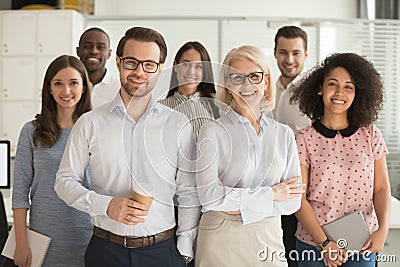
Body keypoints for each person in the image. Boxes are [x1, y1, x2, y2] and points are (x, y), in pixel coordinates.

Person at [55, 27, 200, 267]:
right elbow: (64, 181)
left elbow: (188, 192)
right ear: (118, 62)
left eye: (149, 65)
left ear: (160, 68)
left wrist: (184, 249)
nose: (139, 72)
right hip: (105, 251)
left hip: (163, 253)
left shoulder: (178, 125)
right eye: (131, 62)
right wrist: (106, 205)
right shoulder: (90, 123)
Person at [195, 45, 304, 267]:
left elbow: (292, 201)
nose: (247, 84)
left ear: (265, 81)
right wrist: (272, 194)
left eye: (255, 76)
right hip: (220, 237)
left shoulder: (283, 134)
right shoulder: (212, 131)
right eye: (237, 77)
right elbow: (209, 196)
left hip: (269, 238)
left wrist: (235, 200)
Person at [291, 53, 391, 267]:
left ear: (357, 94)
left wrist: (383, 228)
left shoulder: (370, 135)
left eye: (349, 87)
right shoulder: (303, 139)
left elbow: (381, 189)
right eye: (333, 84)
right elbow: (298, 198)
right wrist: (325, 244)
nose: (339, 93)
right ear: (320, 88)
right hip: (313, 244)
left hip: (362, 242)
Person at [12, 55, 92, 267]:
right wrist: (21, 243)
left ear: (84, 87)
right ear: (49, 88)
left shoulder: (96, 130)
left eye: (73, 83)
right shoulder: (31, 131)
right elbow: (20, 193)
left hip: (88, 235)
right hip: (43, 237)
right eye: (58, 83)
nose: (66, 91)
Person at [273, 25, 311, 267]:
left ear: (306, 54)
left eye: (296, 53)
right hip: (270, 190)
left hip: (305, 191)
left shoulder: (315, 94)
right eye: (283, 52)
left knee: (299, 255)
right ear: (275, 53)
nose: (289, 59)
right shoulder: (265, 89)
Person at [159, 41, 219, 140]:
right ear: (175, 66)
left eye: (198, 66)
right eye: (185, 64)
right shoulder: (160, 109)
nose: (191, 72)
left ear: (204, 71)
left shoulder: (218, 104)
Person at [77, 27, 120, 109]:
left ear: (109, 54)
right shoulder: (68, 86)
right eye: (87, 46)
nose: (94, 51)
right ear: (78, 51)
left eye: (100, 47)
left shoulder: (120, 89)